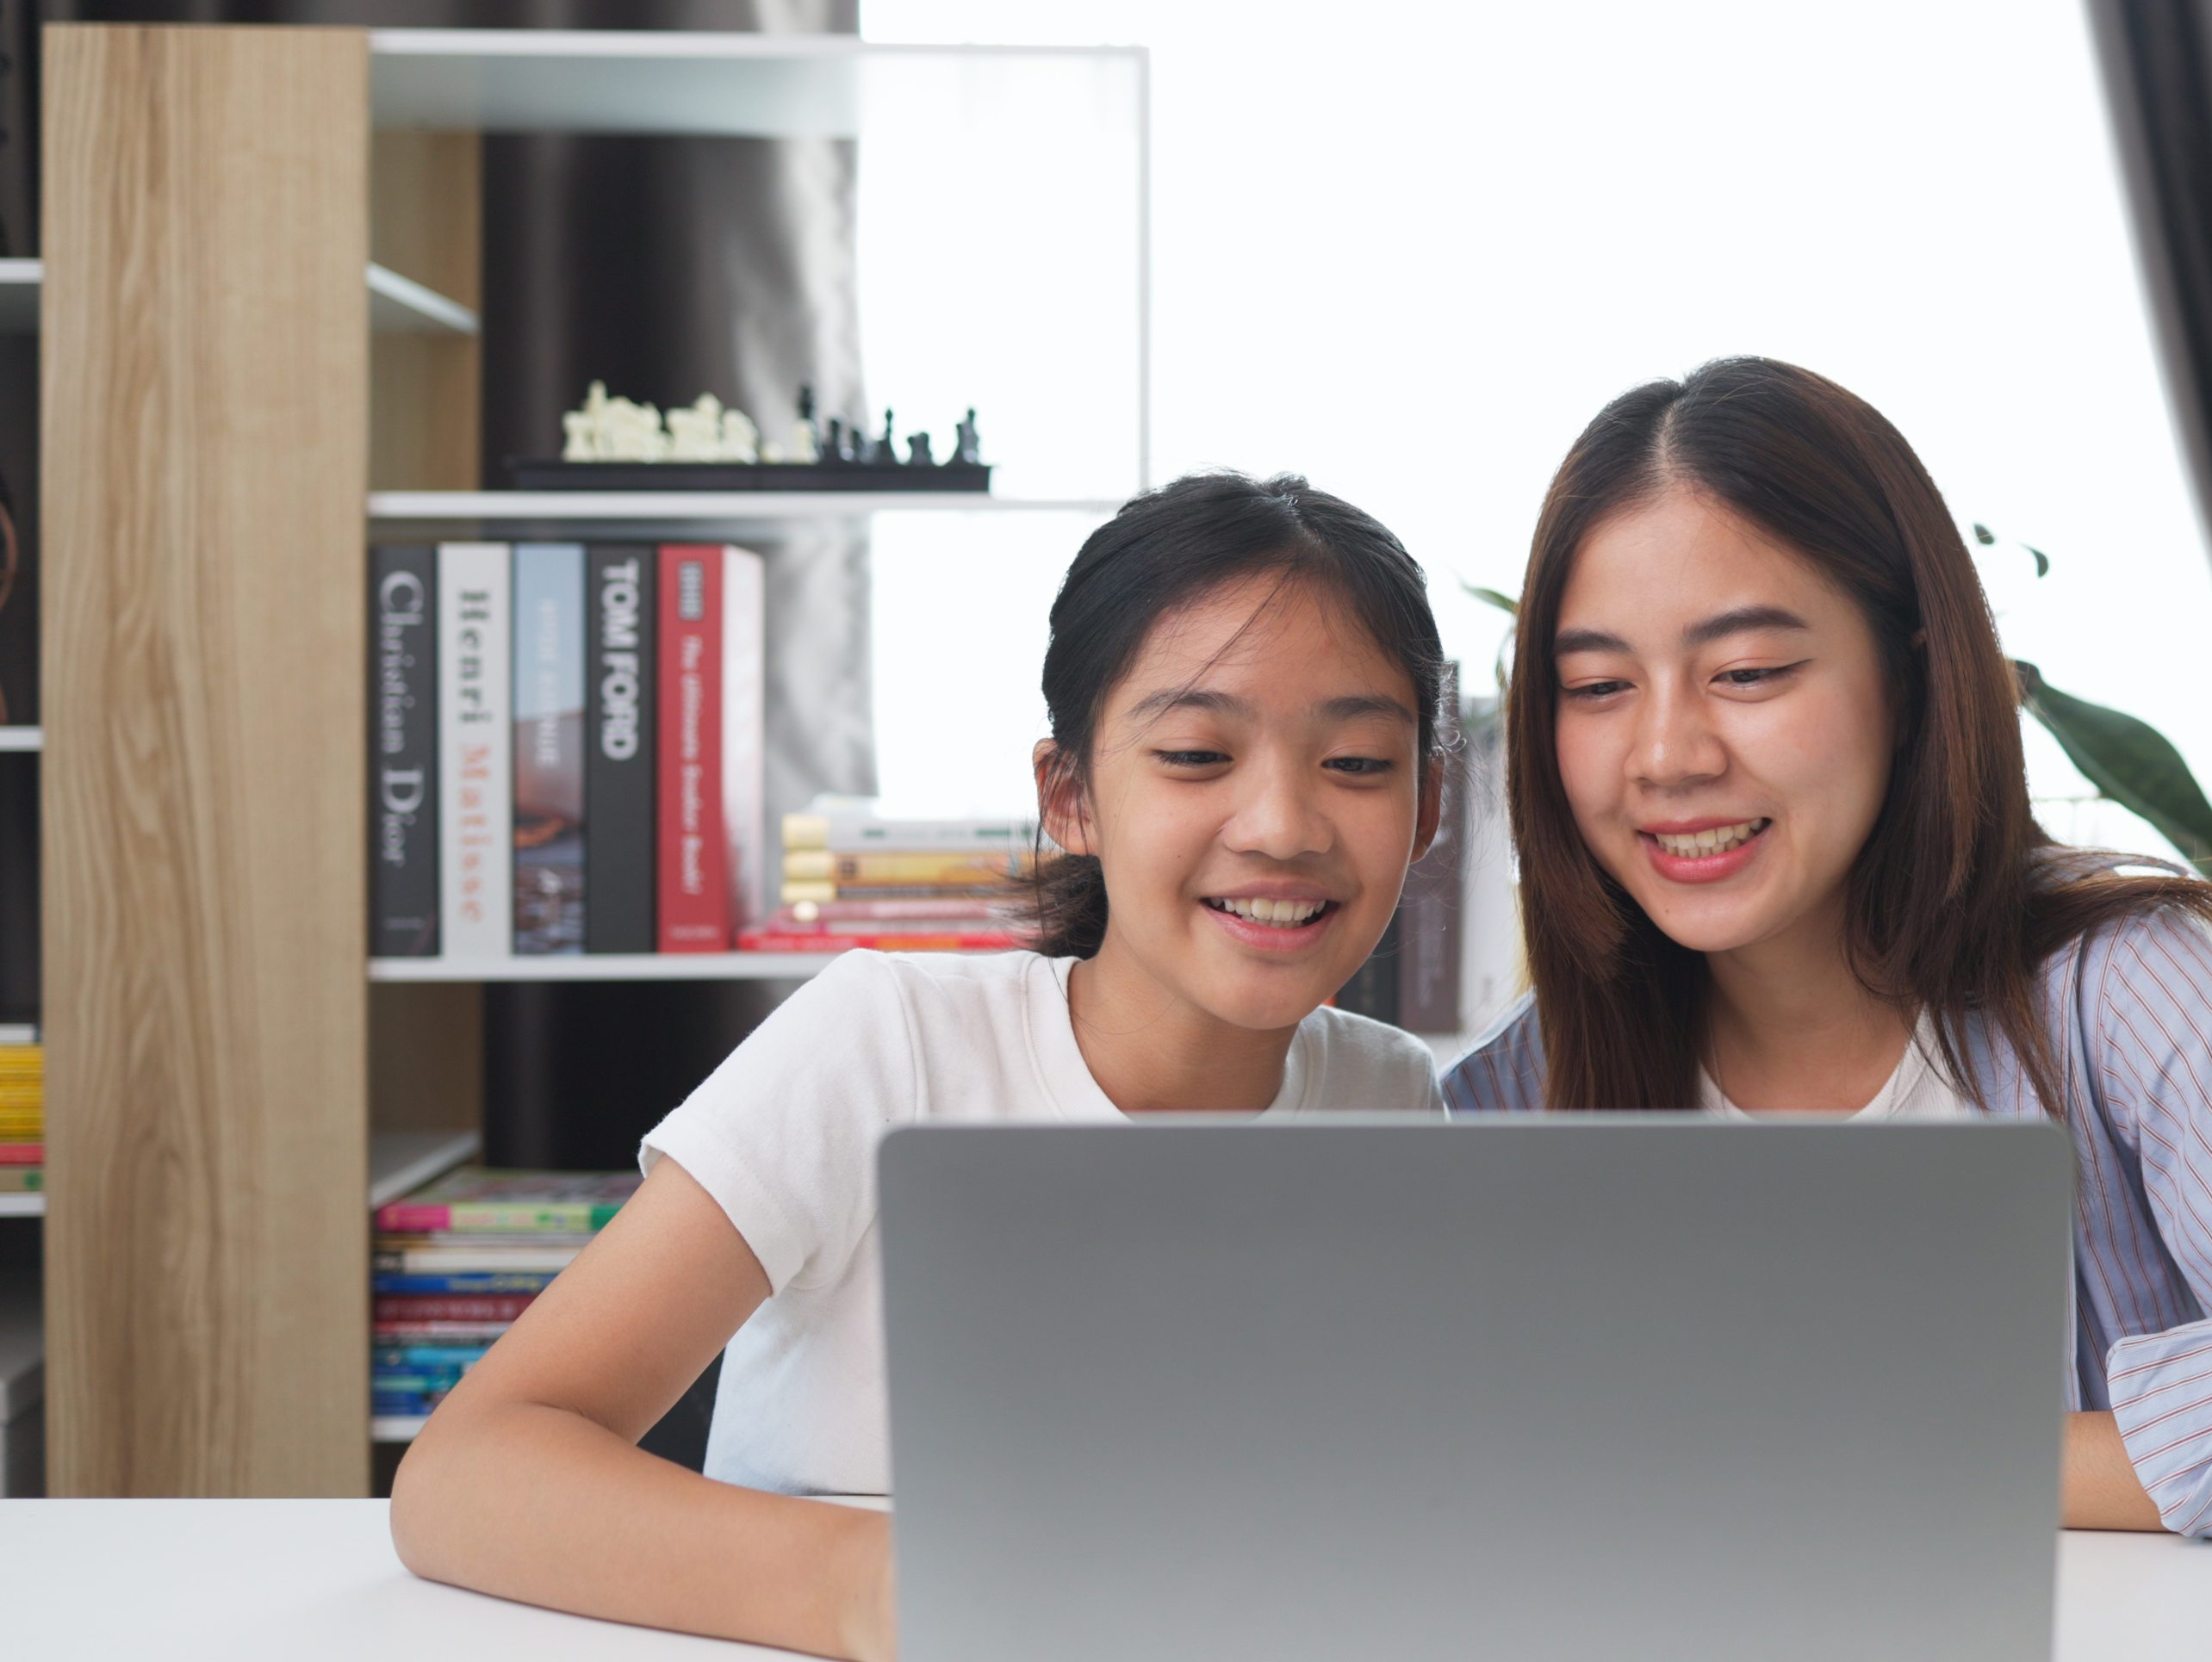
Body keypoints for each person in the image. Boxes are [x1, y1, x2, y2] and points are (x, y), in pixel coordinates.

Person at [1445, 358, 2212, 1547]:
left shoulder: (2119, 994)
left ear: (1914, 673)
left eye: (1747, 674)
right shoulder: (1514, 1096)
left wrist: (1892, 1454)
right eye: (1595, 685)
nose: (1666, 753)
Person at [394, 474, 1457, 1659]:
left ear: (1426, 808)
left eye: (1358, 763)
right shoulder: (884, 1036)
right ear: (1072, 797)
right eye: (1198, 753)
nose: (1281, 825)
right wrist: (885, 1591)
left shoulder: (1391, 1095)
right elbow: (467, 1471)